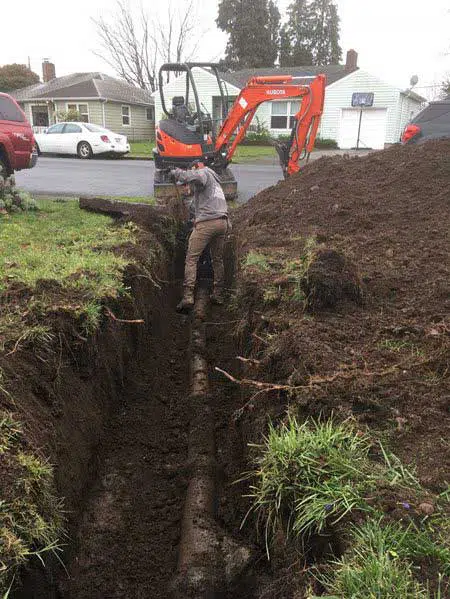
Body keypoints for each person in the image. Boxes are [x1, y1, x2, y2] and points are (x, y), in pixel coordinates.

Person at [170, 162, 230, 313]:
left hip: (207, 224)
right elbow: (194, 204)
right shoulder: (215, 184)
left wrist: (176, 172)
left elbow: (194, 176)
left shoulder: (203, 172)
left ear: (196, 167)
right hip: (223, 223)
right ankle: (218, 294)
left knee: (191, 259)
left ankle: (188, 296)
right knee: (217, 259)